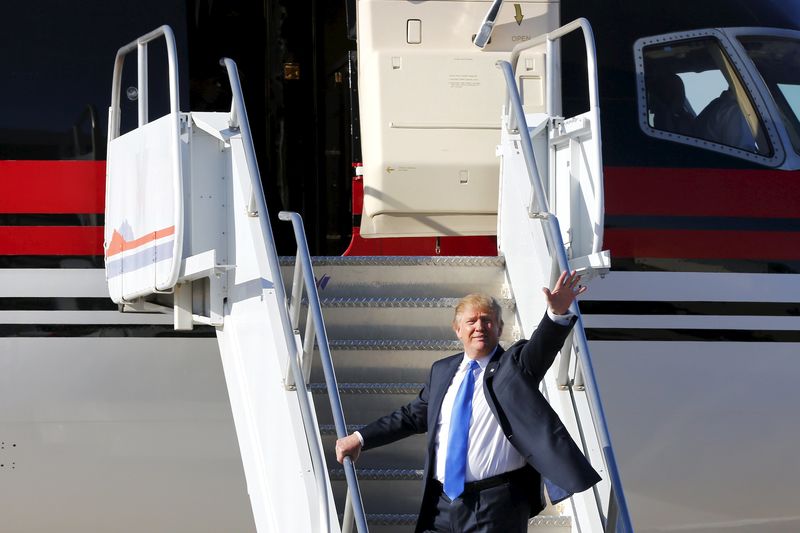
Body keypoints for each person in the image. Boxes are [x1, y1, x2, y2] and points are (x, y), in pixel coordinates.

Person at [335, 270, 601, 532]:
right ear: (457, 329)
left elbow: (542, 348)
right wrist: (360, 438)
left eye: (487, 320)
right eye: (471, 321)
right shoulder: (442, 371)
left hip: (495, 506)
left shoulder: (515, 366)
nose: (479, 327)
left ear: (499, 327)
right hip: (440, 504)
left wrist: (555, 315)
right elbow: (411, 416)